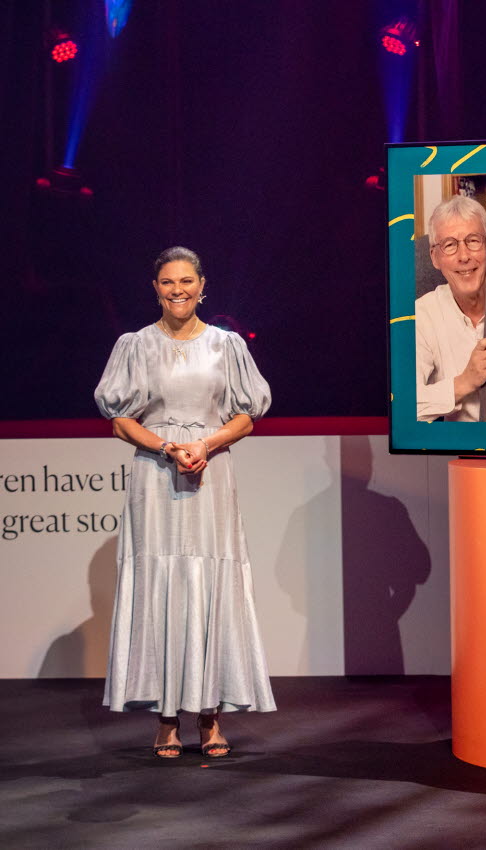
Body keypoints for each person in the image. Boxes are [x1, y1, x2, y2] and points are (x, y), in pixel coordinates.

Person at [95, 246, 275, 758]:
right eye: (168, 282)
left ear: (202, 285)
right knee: (161, 585)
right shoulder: (134, 345)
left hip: (211, 473)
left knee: (210, 583)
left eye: (186, 281)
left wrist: (205, 445)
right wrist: (166, 446)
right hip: (155, 476)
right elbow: (119, 419)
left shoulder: (227, 346)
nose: (178, 290)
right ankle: (167, 719)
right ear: (156, 288)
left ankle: (211, 716)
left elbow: (248, 414)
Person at [415, 195, 486, 421]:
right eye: (449, 245)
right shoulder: (422, 314)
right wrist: (465, 381)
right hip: (468, 450)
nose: (464, 256)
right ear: (434, 257)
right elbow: (404, 406)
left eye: (474, 240)